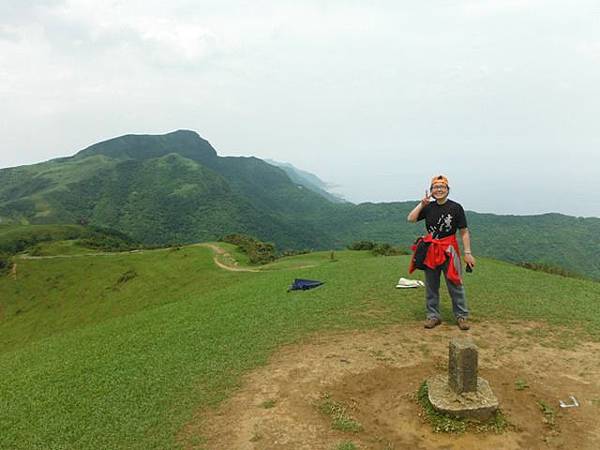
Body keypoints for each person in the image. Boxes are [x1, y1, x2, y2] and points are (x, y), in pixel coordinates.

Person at [407, 175, 475, 330]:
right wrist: (422, 204)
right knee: (431, 285)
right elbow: (410, 219)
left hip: (449, 249)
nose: (439, 190)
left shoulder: (456, 207)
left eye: (442, 187)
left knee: (455, 283)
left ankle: (461, 316)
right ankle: (433, 316)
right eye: (435, 188)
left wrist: (468, 252)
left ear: (447, 190)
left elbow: (464, 231)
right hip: (431, 249)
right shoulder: (428, 207)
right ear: (431, 190)